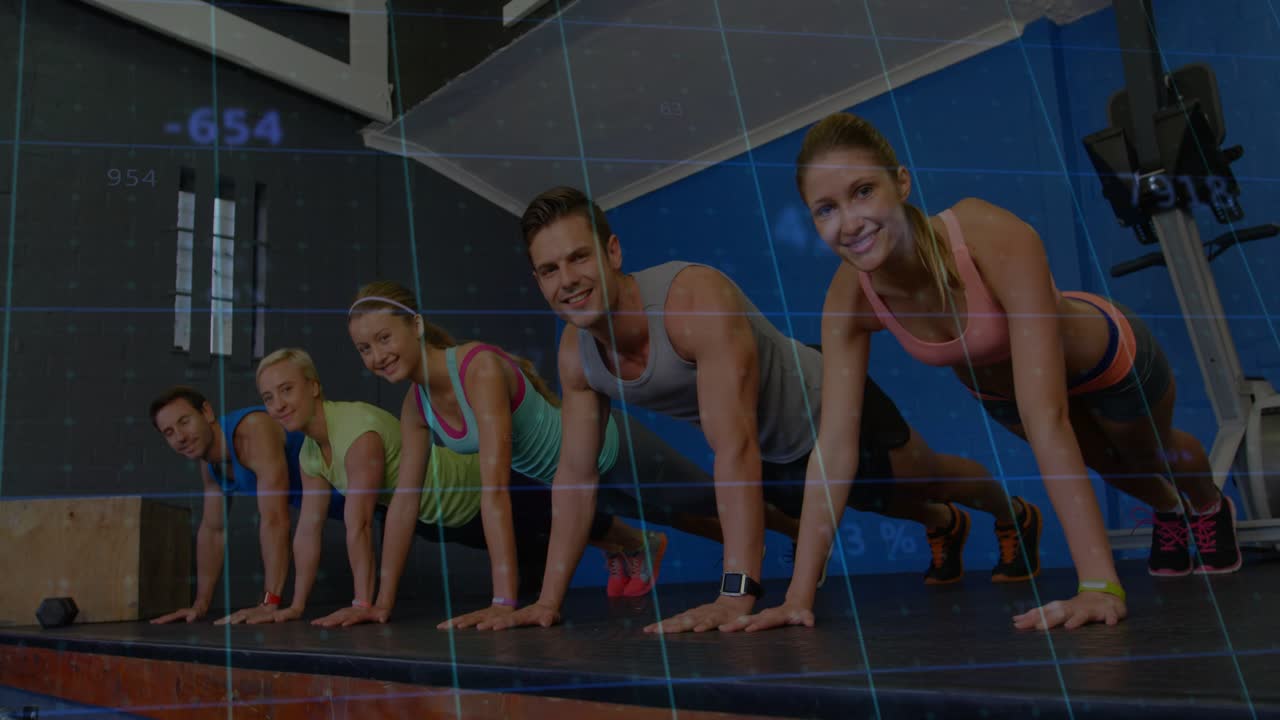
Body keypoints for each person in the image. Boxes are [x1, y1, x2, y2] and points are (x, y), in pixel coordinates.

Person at [757, 111, 1241, 632]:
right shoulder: (849, 297)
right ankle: (1171, 510)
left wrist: (1099, 585)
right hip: (1004, 394)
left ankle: (1208, 504)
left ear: (900, 182)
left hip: (1105, 360)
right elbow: (833, 449)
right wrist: (797, 598)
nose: (849, 223)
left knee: (1149, 453)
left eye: (863, 191)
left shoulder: (988, 234)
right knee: (1116, 470)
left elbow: (1047, 415)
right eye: (825, 209)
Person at [485, 186, 1040, 634]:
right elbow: (577, 478)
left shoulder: (691, 299)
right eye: (550, 270)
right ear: (538, 281)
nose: (568, 281)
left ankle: (1009, 512)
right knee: (880, 501)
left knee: (925, 478)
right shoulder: (576, 357)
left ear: (612, 252)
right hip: (773, 451)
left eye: (579, 256)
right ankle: (946, 526)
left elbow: (734, 447)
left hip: (827, 402)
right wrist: (544, 602)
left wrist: (735, 593)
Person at [346, 282, 730, 627]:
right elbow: (403, 506)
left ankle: (790, 528)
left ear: (415, 326)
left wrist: (503, 602)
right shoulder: (417, 407)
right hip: (572, 482)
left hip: (613, 448)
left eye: (384, 338)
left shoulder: (476, 369)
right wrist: (380, 604)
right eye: (364, 348)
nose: (377, 356)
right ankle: (652, 544)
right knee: (685, 518)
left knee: (717, 505)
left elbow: (495, 492)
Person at [253, 348, 574, 628]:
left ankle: (624, 543)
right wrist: (295, 606)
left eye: (286, 390)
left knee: (594, 524)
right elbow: (308, 530)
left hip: (471, 489)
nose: (279, 404)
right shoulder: (309, 453)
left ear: (313, 387)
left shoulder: (356, 434)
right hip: (439, 522)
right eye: (269, 397)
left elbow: (360, 524)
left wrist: (363, 605)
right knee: (543, 546)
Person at [147, 385, 344, 625]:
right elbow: (213, 530)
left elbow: (275, 519)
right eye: (169, 432)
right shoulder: (211, 465)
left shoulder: (253, 429)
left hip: (371, 488)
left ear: (207, 412)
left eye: (184, 422)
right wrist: (200, 605)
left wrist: (269, 603)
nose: (180, 437)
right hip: (342, 507)